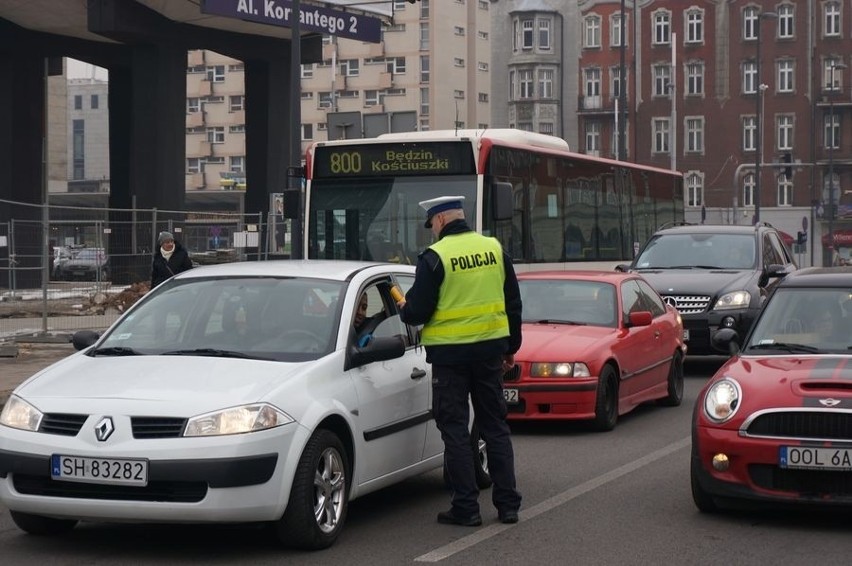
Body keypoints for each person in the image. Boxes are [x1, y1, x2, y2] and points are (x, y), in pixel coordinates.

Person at [395, 195, 522, 527]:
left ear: (439, 221)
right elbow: (513, 303)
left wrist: (404, 309)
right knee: (495, 427)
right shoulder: (494, 250)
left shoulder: (435, 257)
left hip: (451, 358)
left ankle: (466, 508)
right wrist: (512, 348)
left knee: (454, 429)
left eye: (432, 225)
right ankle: (508, 505)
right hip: (490, 354)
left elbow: (418, 311)